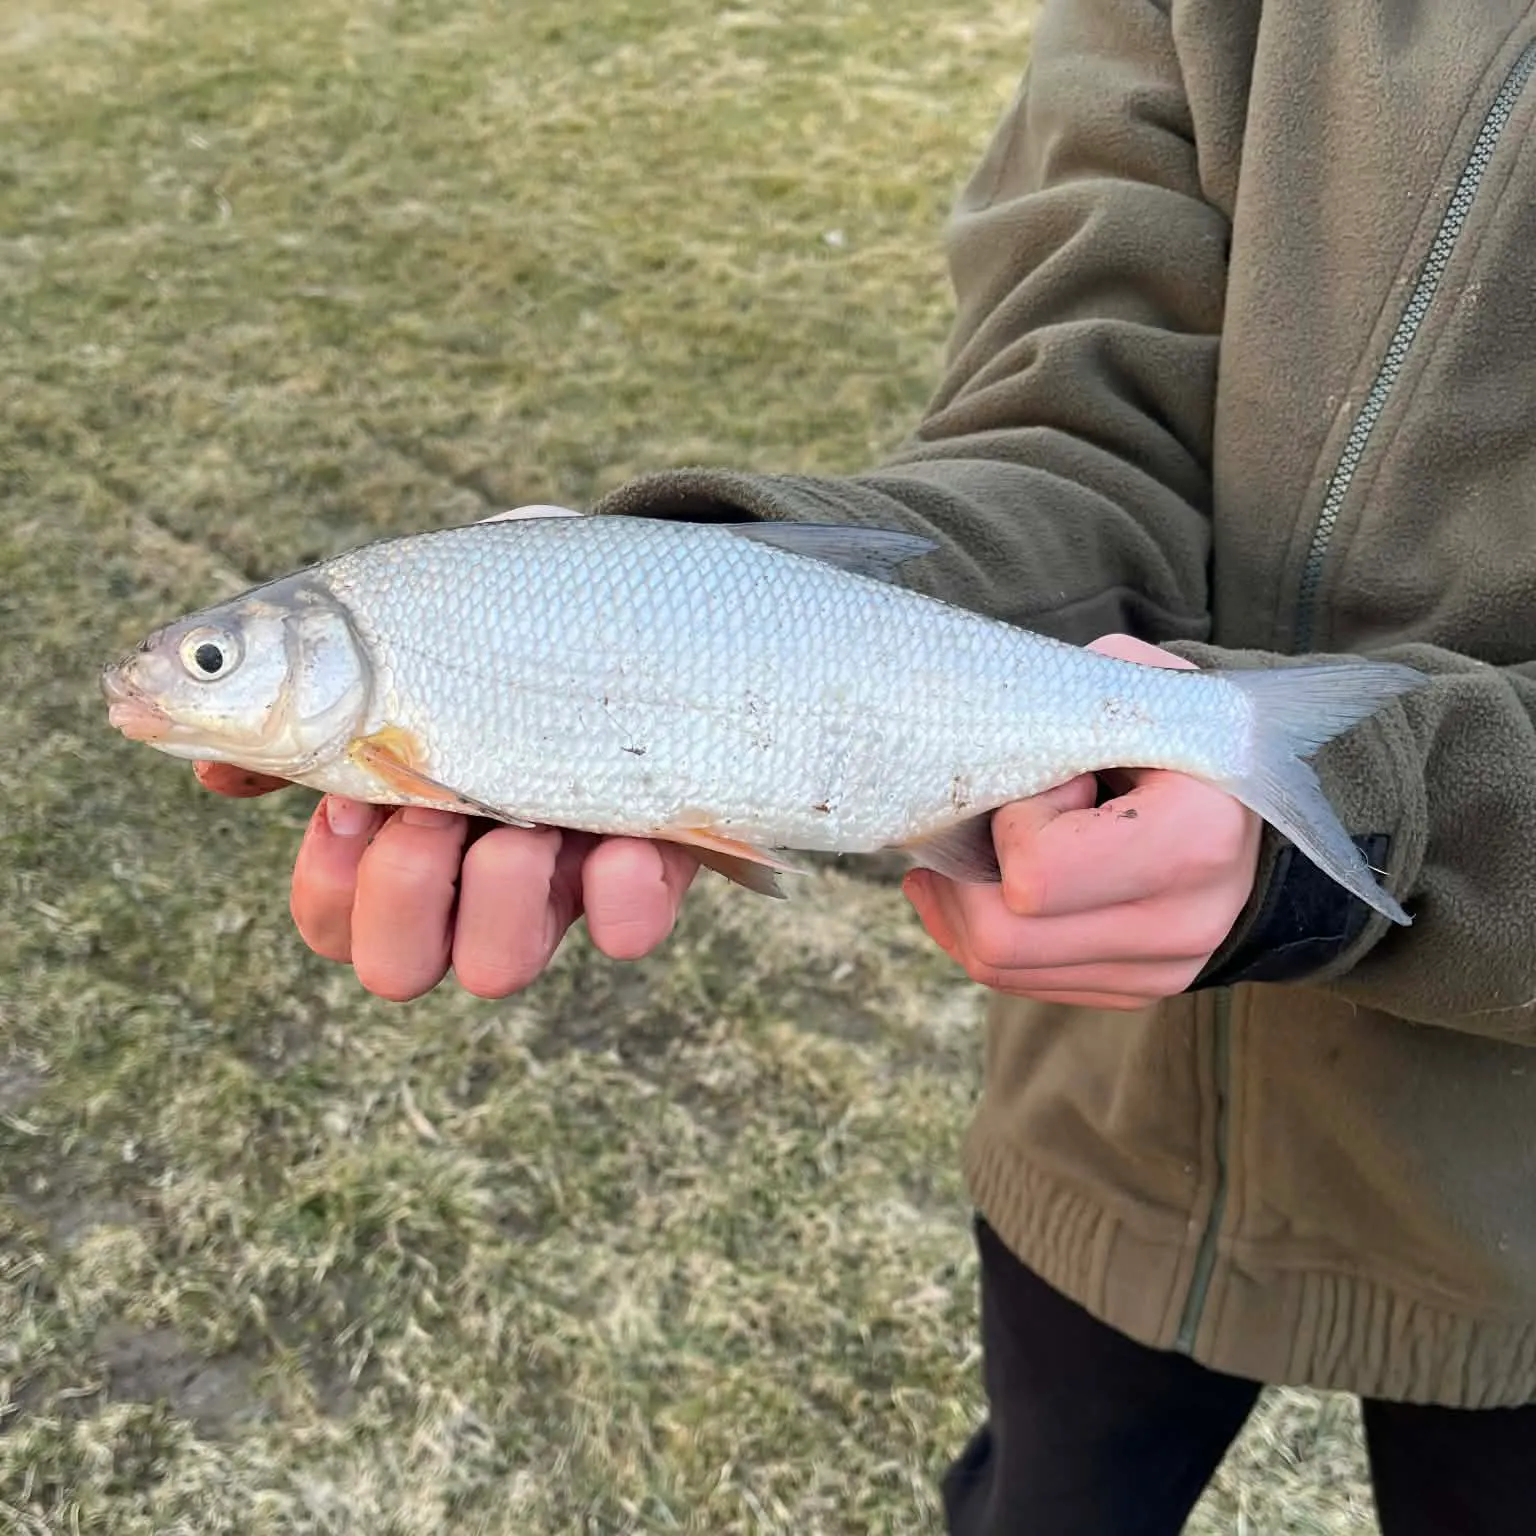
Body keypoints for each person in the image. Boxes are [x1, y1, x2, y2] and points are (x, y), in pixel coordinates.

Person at [198, 0, 1536, 1529]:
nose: (189, 679)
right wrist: (712, 616)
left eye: (214, 660)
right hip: (1096, 1131)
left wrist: (1399, 810)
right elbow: (1086, 407)